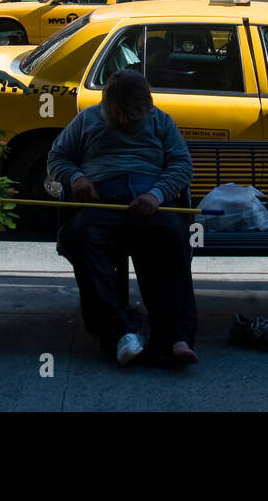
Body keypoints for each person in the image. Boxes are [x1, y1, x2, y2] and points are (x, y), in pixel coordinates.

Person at [50, 70, 197, 367]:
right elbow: (57, 157)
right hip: (101, 202)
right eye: (116, 114)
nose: (122, 122)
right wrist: (76, 177)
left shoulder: (161, 121)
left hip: (150, 203)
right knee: (80, 237)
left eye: (132, 117)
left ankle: (174, 336)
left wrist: (157, 195)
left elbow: (182, 166)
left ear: (147, 108)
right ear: (106, 105)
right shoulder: (87, 119)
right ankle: (119, 333)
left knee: (171, 237)